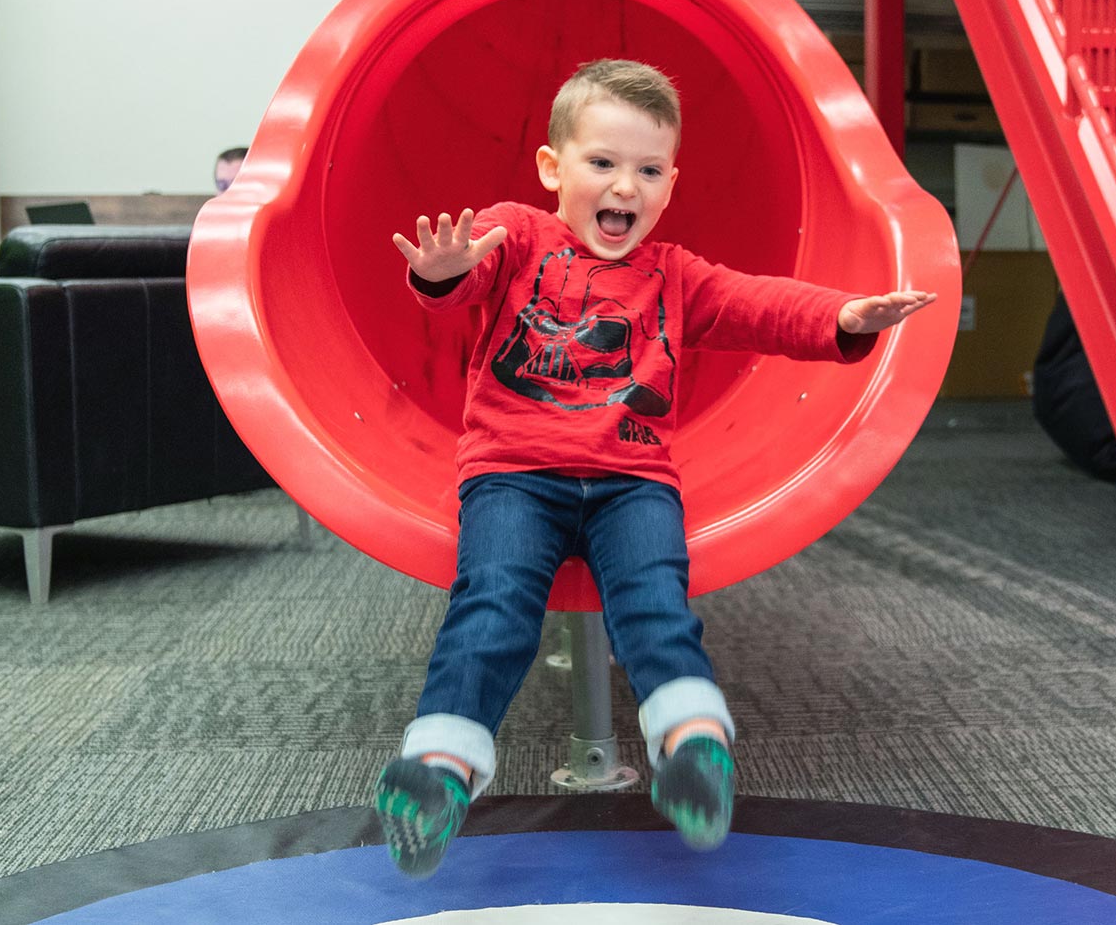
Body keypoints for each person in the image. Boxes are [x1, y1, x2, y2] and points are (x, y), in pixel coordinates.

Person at [373, 59, 934, 878]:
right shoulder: (516, 234)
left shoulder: (673, 274)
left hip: (632, 480)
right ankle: (439, 771)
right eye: (602, 163)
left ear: (672, 182)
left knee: (654, 601)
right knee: (492, 604)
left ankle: (692, 748)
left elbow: (757, 304)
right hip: (513, 471)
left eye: (648, 170)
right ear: (552, 167)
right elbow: (463, 280)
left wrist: (841, 316)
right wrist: (441, 271)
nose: (624, 187)